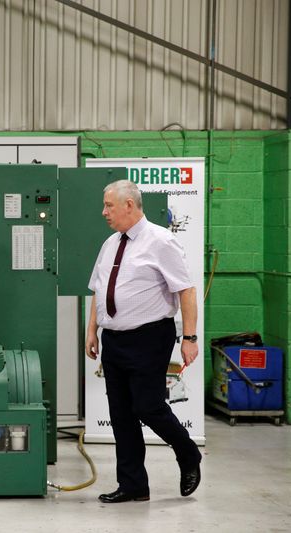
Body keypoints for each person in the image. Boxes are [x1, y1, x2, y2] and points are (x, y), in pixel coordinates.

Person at [85, 179, 201, 503]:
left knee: (148, 406)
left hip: (150, 337)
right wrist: (92, 329)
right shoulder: (110, 244)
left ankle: (188, 453)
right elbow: (98, 288)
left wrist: (189, 338)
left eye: (109, 205)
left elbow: (186, 290)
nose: (104, 211)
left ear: (129, 206)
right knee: (121, 414)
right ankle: (133, 484)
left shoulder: (161, 241)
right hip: (114, 340)